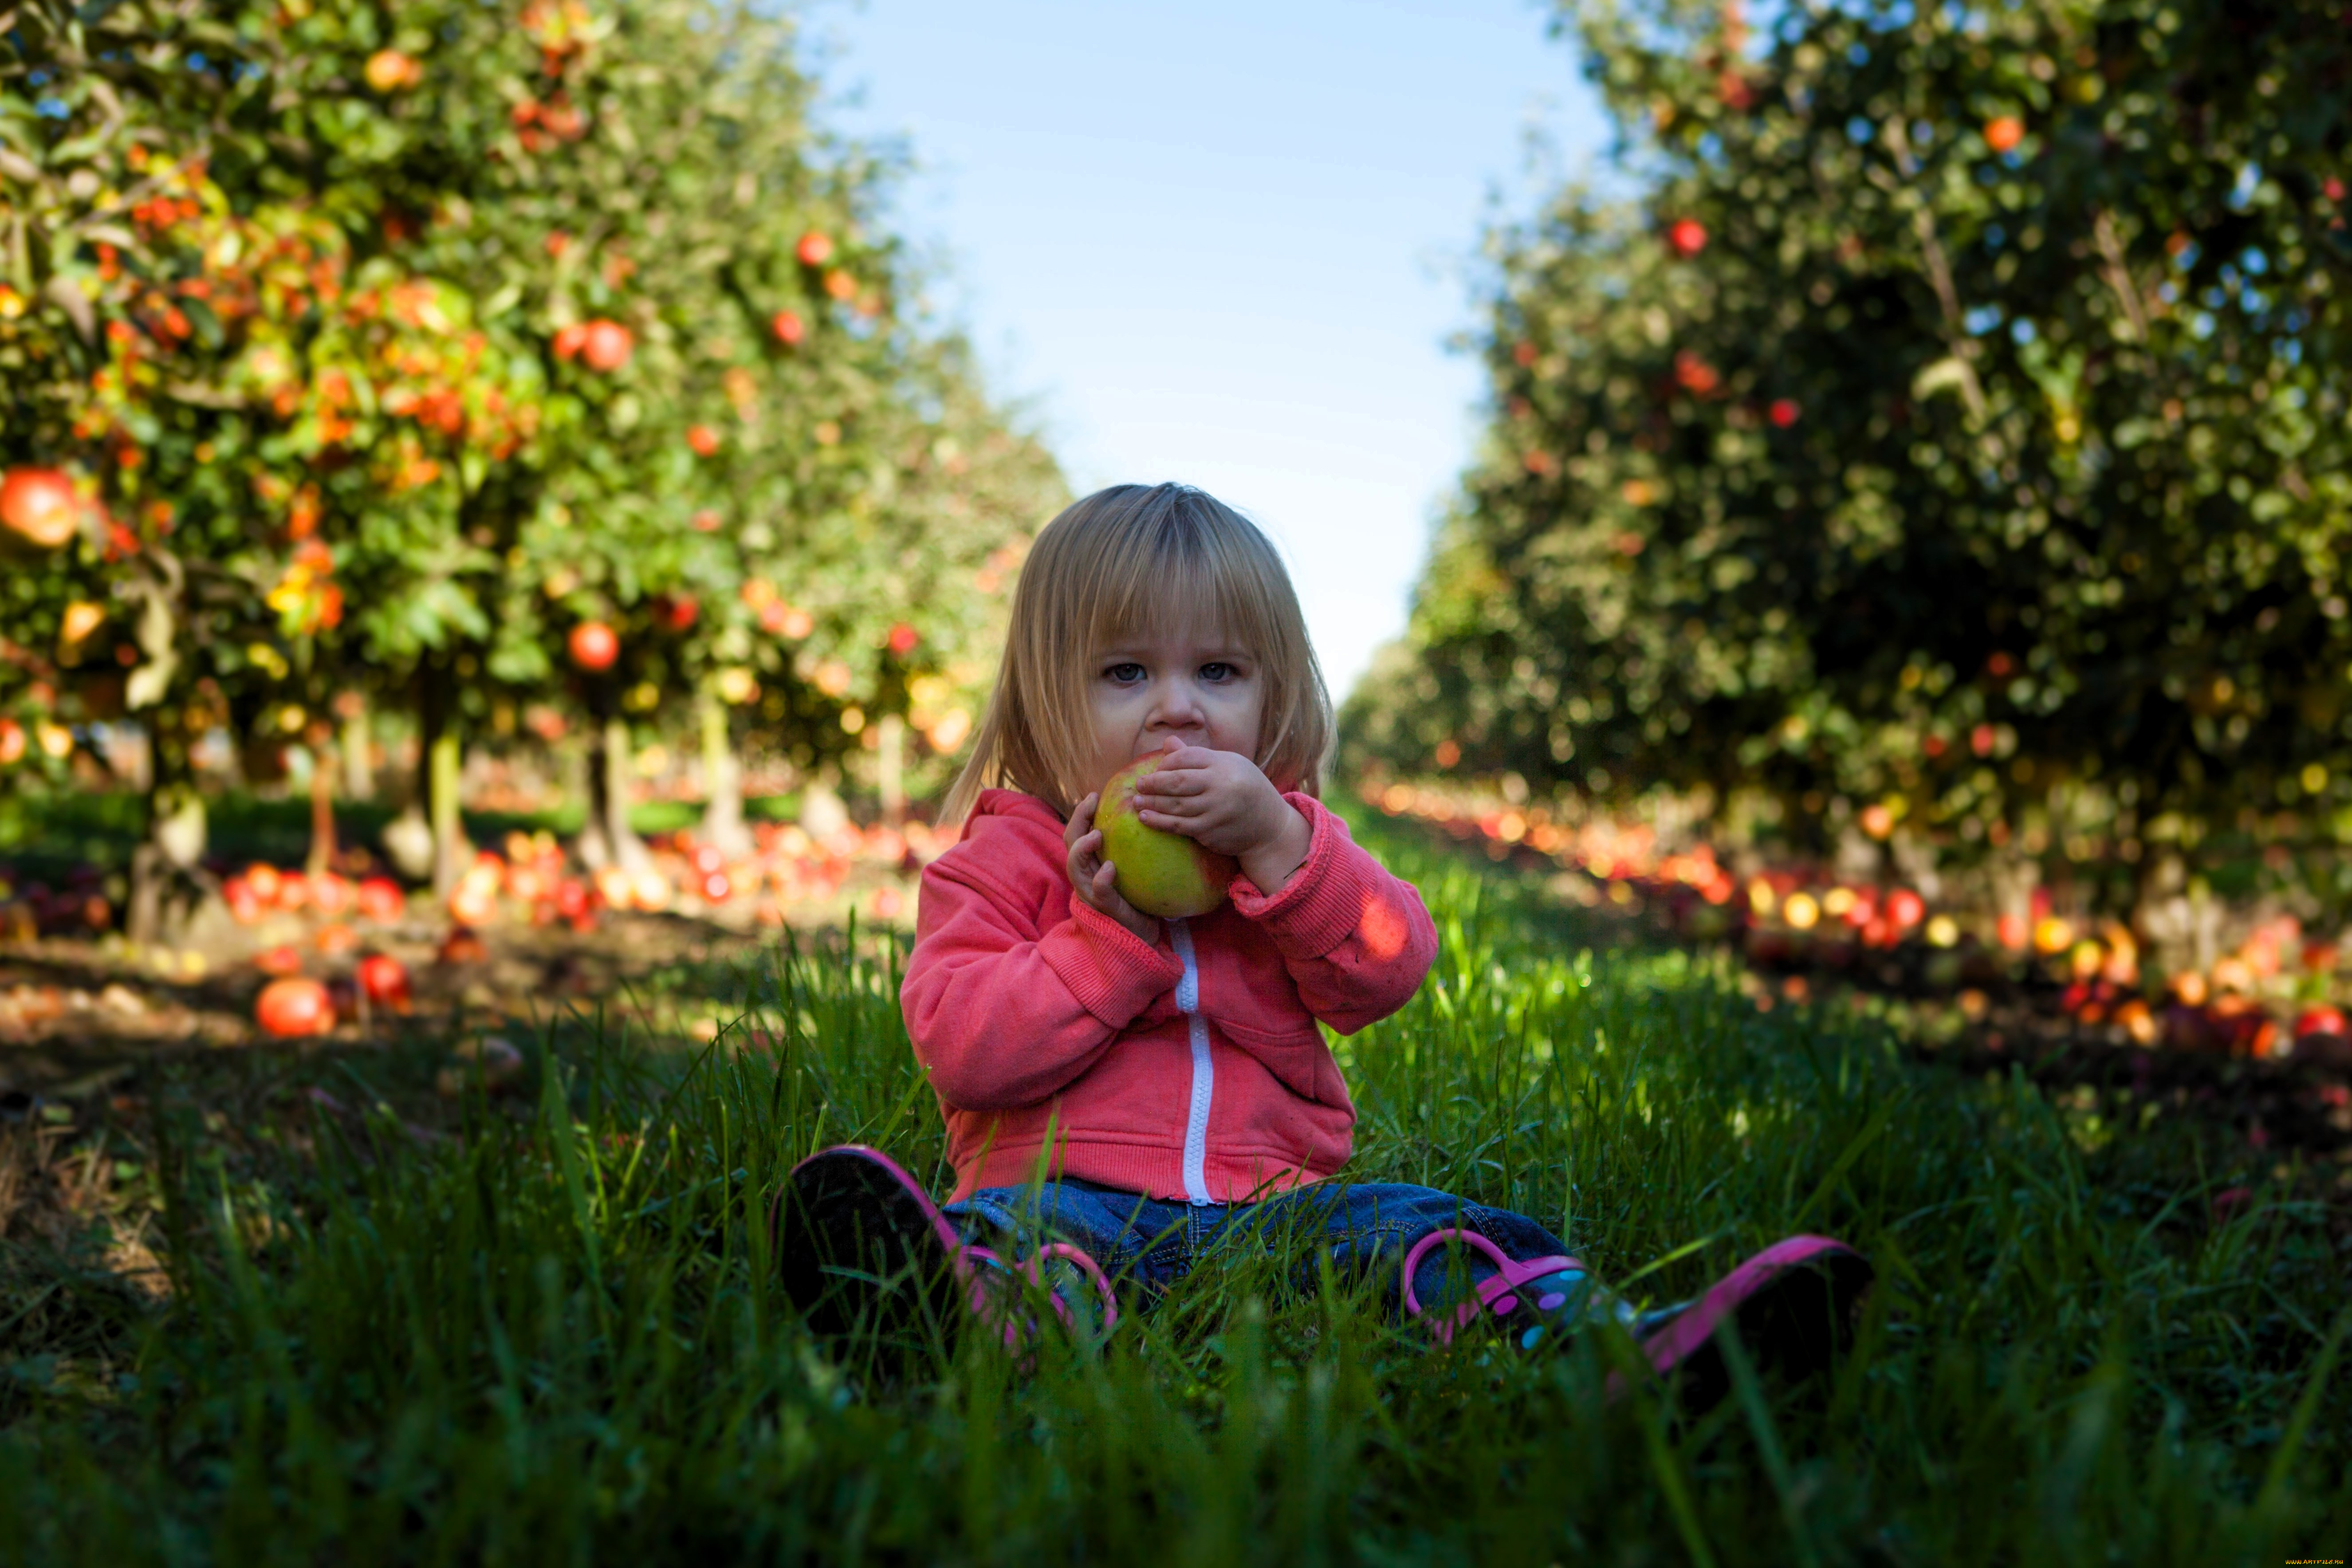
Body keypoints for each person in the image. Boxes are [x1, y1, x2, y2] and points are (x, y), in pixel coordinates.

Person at [775, 482, 1869, 1391]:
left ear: (1271, 693)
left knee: (1441, 1235)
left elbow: (1389, 970)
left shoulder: (1287, 848)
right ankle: (951, 1315)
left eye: (1218, 672)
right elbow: (966, 1048)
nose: (1176, 711)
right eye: (1124, 672)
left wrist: (1283, 855)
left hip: (1276, 1210)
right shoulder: (998, 866)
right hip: (1063, 1190)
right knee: (1021, 1245)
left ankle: (1626, 1353)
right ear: (1039, 696)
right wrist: (1106, 940)